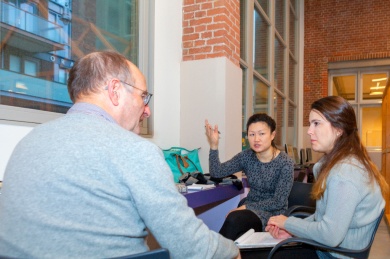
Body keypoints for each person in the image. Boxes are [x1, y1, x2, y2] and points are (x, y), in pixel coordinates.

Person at [0, 51, 240, 259]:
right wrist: (232, 250)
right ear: (115, 90)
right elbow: (194, 249)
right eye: (143, 96)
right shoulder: (135, 150)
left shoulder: (28, 142)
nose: (146, 110)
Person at [266, 96, 389, 259]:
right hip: (332, 249)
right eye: (310, 124)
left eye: (316, 123)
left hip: (333, 254)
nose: (309, 130)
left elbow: (330, 236)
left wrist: (287, 223)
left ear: (339, 129)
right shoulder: (345, 162)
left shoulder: (344, 173)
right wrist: (292, 231)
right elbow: (322, 218)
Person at [205, 113, 294, 241]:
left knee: (235, 219)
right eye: (252, 134)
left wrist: (245, 207)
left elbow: (278, 201)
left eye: (261, 134)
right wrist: (214, 145)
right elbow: (217, 172)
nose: (256, 139)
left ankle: (217, 251)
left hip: (273, 212)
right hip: (249, 208)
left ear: (272, 135)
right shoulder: (246, 156)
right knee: (235, 223)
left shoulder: (285, 162)